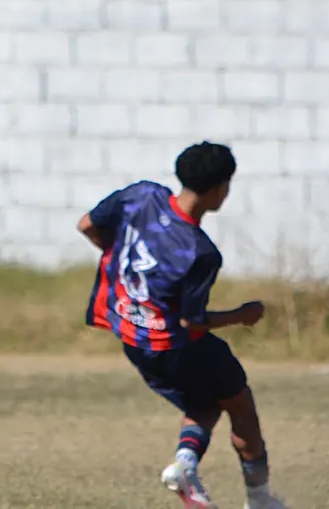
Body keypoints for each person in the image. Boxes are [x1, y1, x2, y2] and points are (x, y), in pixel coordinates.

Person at [76, 141, 288, 509]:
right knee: (240, 405)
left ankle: (185, 464)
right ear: (219, 189)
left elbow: (87, 225)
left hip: (132, 337)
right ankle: (259, 499)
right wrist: (241, 315)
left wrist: (119, 258)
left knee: (204, 404)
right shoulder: (198, 251)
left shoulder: (140, 196)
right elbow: (192, 321)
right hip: (175, 346)